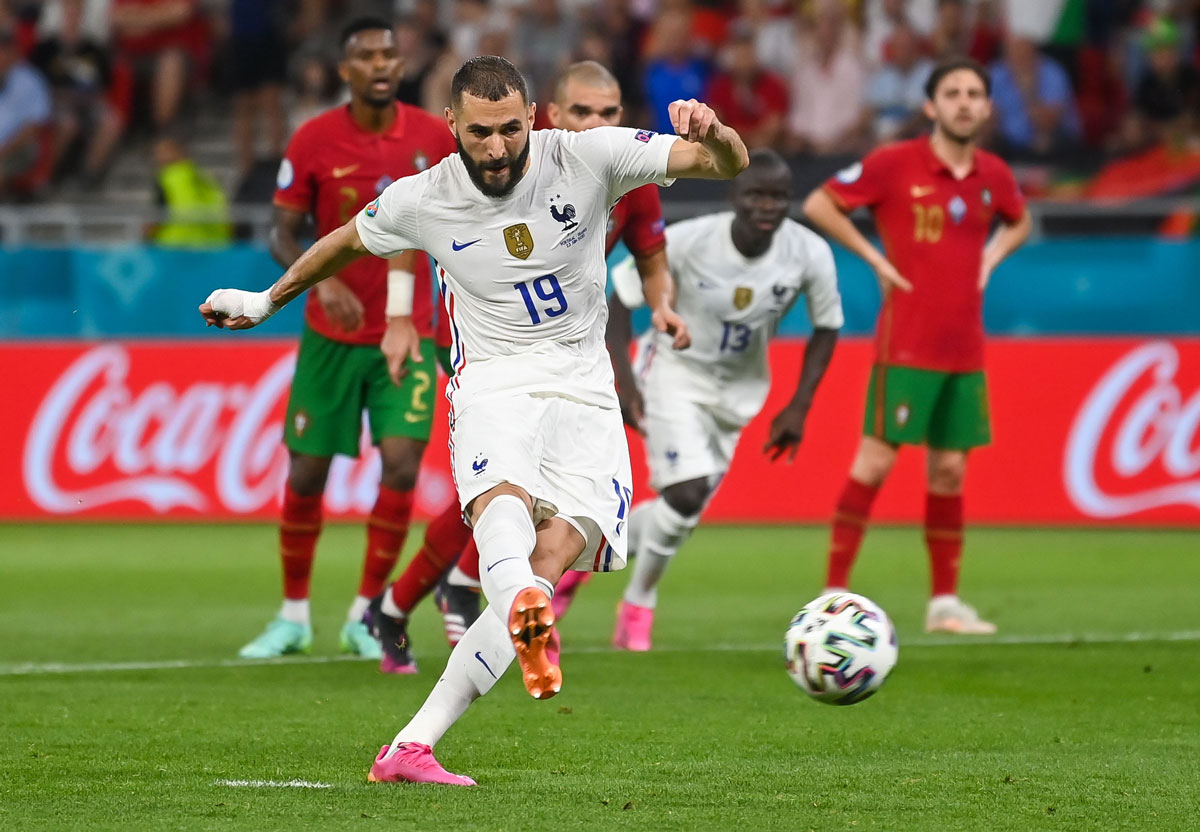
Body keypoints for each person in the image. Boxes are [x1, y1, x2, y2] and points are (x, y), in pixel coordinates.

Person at [199, 55, 747, 785]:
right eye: (481, 132)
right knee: (503, 507)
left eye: (512, 130)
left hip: (585, 392)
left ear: (535, 119)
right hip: (493, 382)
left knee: (553, 555)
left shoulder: (588, 154)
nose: (497, 149)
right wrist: (268, 300)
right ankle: (516, 599)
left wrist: (716, 130)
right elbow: (343, 242)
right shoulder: (424, 196)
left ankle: (412, 744)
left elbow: (724, 164)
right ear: (452, 124)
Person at [369, 60, 681, 669]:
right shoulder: (491, 154)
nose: (599, 122)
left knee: (515, 499)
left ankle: (403, 604)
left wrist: (664, 307)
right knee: (501, 491)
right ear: (553, 117)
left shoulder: (623, 175)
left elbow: (650, 255)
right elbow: (403, 224)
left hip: (566, 351)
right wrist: (401, 315)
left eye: (610, 113)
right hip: (485, 343)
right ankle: (452, 593)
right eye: (585, 112)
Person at [233, 17, 456, 666]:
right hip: (332, 337)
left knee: (403, 465)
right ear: (345, 71)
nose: (383, 64)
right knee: (305, 475)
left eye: (391, 53)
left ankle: (366, 613)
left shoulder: (432, 138)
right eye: (367, 56)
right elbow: (281, 231)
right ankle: (293, 616)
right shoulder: (313, 140)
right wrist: (316, 277)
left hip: (407, 331)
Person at [802, 57, 1031, 635]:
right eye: (951, 92)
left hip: (965, 349)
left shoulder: (994, 174)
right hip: (906, 343)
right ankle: (832, 594)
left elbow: (1019, 221)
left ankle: (944, 605)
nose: (963, 102)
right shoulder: (895, 163)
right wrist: (876, 256)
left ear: (986, 107)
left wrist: (991, 257)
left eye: (974, 93)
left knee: (950, 470)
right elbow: (819, 203)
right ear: (930, 106)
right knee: (875, 462)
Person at [597, 148, 843, 651]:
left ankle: (597, 543)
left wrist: (799, 405)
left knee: (681, 512)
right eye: (755, 194)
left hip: (740, 392)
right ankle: (638, 607)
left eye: (778, 197)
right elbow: (621, 294)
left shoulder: (808, 252)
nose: (767, 206)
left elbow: (828, 325)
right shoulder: (688, 242)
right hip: (673, 371)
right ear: (734, 195)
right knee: (686, 495)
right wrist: (623, 378)